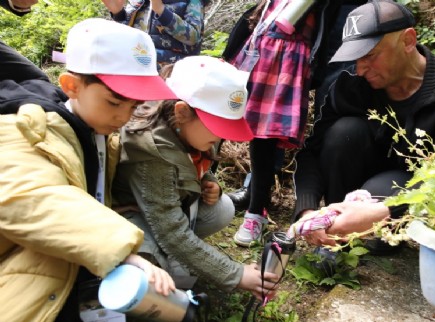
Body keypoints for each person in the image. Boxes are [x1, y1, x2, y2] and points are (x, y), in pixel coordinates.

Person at [0, 18, 178, 321]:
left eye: (134, 106)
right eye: (114, 102)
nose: (124, 116)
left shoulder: (98, 133)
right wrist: (123, 250)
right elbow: (33, 196)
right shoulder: (26, 127)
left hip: (72, 260)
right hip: (21, 263)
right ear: (72, 86)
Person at [293, 0, 435, 251]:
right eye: (354, 58)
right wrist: (308, 210)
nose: (360, 68)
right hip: (352, 185)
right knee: (345, 132)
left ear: (408, 40)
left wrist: (383, 210)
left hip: (408, 190)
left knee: (376, 234)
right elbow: (313, 151)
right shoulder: (348, 85)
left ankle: (362, 232)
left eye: (369, 56)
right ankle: (336, 226)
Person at [111, 55, 279, 300]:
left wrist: (209, 182)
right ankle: (160, 258)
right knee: (155, 271)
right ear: (182, 112)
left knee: (222, 208)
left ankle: (177, 256)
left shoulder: (184, 129)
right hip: (131, 216)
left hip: (164, 209)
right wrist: (236, 274)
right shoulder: (152, 153)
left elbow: (193, 162)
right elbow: (171, 232)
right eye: (217, 127)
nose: (223, 137)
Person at [223, 0, 366, 216]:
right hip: (289, 22)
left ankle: (330, 203)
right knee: (272, 111)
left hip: (346, 13)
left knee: (330, 104)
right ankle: (257, 190)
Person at [102, 0, 206, 67]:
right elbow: (127, 36)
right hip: (138, 66)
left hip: (171, 72)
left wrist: (161, 10)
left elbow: (193, 37)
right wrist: (118, 13)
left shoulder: (192, 1)